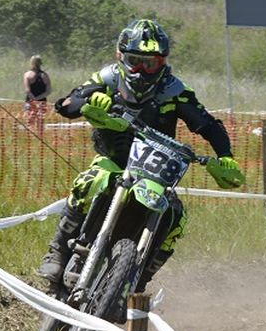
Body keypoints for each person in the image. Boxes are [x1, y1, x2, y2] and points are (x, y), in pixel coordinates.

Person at [37, 18, 245, 288]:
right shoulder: (109, 77)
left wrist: (226, 156)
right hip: (114, 160)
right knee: (89, 182)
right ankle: (58, 250)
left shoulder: (174, 90)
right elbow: (66, 103)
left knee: (177, 219)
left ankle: (141, 279)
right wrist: (88, 100)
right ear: (120, 55)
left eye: (150, 63)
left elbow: (207, 124)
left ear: (163, 62)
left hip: (156, 173)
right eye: (135, 60)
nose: (141, 70)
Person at [23, 55, 51, 133]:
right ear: (41, 63)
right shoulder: (45, 75)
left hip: (30, 100)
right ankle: (40, 138)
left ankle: (30, 137)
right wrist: (39, 99)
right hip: (42, 101)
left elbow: (27, 90)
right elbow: (48, 91)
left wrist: (34, 99)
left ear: (31, 63)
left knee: (30, 120)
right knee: (40, 121)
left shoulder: (27, 74)